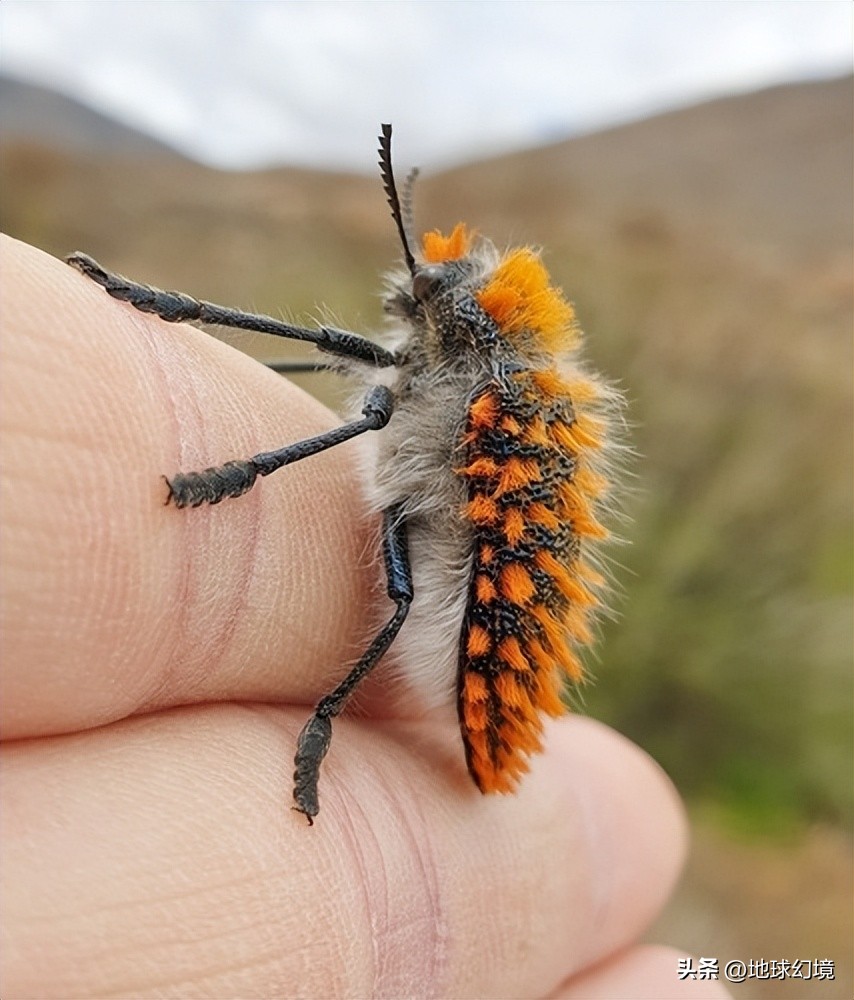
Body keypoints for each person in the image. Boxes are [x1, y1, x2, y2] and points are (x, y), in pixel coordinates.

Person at [0, 235, 730, 999]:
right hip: (480, 588)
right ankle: (174, 320)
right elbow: (341, 371)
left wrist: (241, 470)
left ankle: (325, 718)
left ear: (454, 319)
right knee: (342, 383)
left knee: (403, 592)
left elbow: (355, 401)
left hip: (481, 621)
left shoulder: (497, 393)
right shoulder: (467, 373)